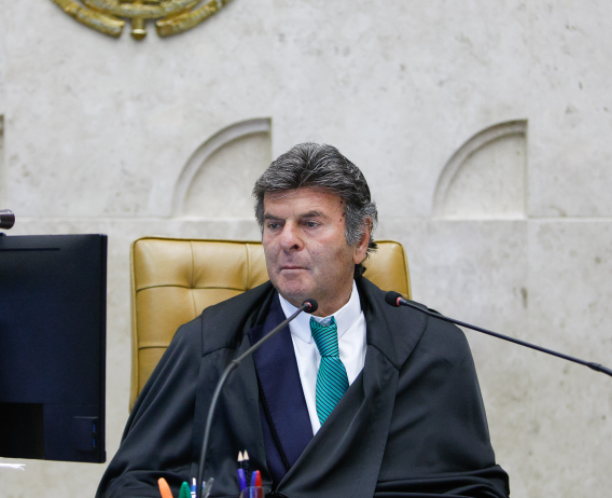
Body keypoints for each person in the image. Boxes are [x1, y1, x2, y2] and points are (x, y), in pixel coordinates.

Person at [97, 143, 510, 498]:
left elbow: (475, 488)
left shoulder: (431, 347)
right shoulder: (211, 345)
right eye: (274, 224)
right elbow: (129, 482)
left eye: (310, 224)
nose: (286, 240)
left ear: (360, 239)